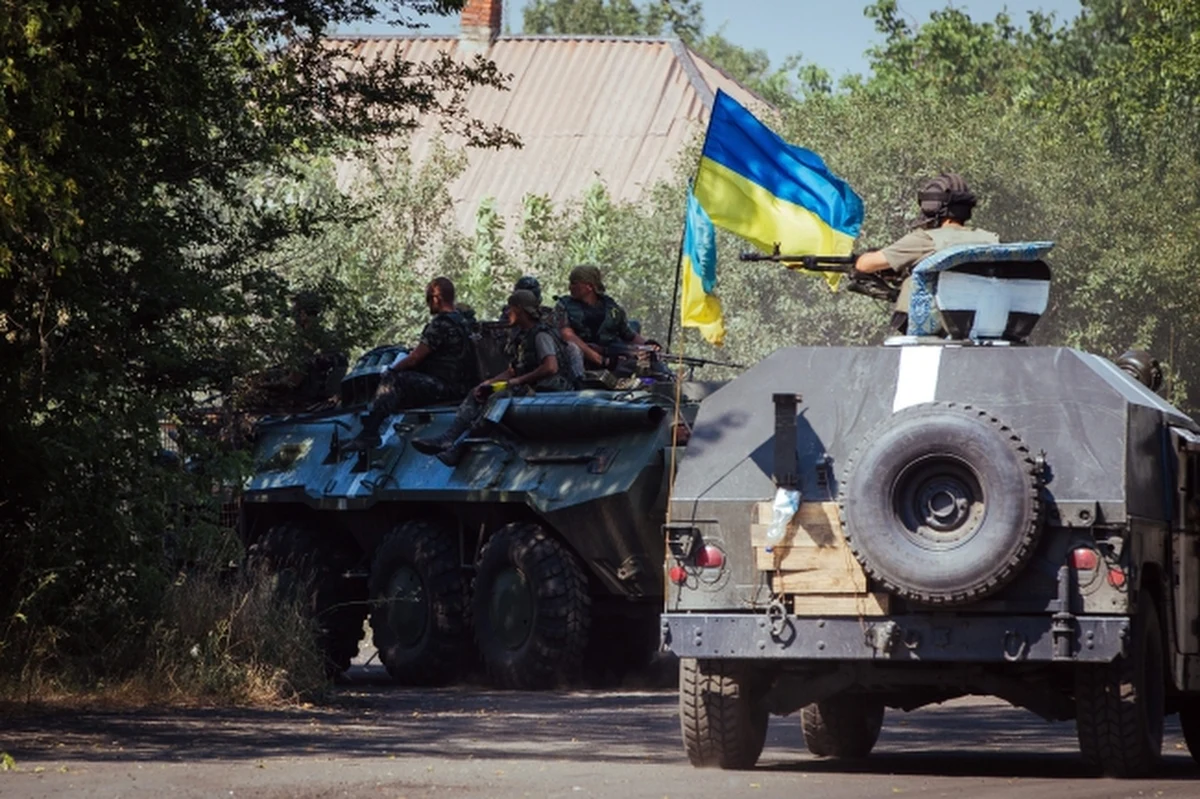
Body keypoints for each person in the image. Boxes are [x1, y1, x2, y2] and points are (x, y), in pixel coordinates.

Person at [412, 289, 576, 464]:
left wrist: (515, 382)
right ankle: (448, 438)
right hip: (530, 385)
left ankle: (461, 446)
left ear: (520, 310)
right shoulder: (522, 336)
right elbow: (514, 369)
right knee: (479, 391)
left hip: (550, 388)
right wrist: (488, 383)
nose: (507, 313)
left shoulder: (541, 335)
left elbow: (550, 367)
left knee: (496, 400)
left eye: (510, 308)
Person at [852, 173, 999, 333]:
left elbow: (864, 265)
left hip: (934, 328)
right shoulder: (991, 240)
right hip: (978, 324)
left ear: (933, 206)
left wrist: (862, 257)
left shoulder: (927, 239)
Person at [345, 277, 478, 451]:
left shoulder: (440, 324)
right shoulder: (464, 321)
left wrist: (392, 369)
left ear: (436, 298)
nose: (428, 305)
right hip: (463, 385)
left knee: (394, 379)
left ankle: (370, 433)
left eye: (428, 299)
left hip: (446, 386)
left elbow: (415, 357)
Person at [555, 264, 651, 372]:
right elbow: (567, 335)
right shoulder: (564, 305)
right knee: (572, 348)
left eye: (574, 283)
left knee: (647, 355)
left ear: (589, 286)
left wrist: (649, 346)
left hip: (611, 357)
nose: (570, 287)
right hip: (581, 358)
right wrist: (600, 359)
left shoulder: (611, 308)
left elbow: (628, 334)